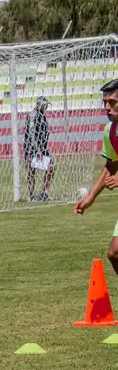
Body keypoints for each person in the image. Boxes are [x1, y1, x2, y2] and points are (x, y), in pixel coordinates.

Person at [75, 79, 118, 275]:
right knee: (115, 253)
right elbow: (111, 166)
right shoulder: (111, 131)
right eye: (104, 103)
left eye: (112, 102)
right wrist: (90, 198)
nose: (107, 108)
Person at [24, 95, 53, 201]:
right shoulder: (32, 115)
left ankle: (44, 193)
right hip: (32, 148)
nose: (46, 108)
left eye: (46, 106)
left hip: (42, 148)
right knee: (32, 171)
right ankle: (31, 195)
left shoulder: (43, 116)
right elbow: (31, 133)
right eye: (44, 105)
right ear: (38, 104)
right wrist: (37, 149)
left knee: (51, 168)